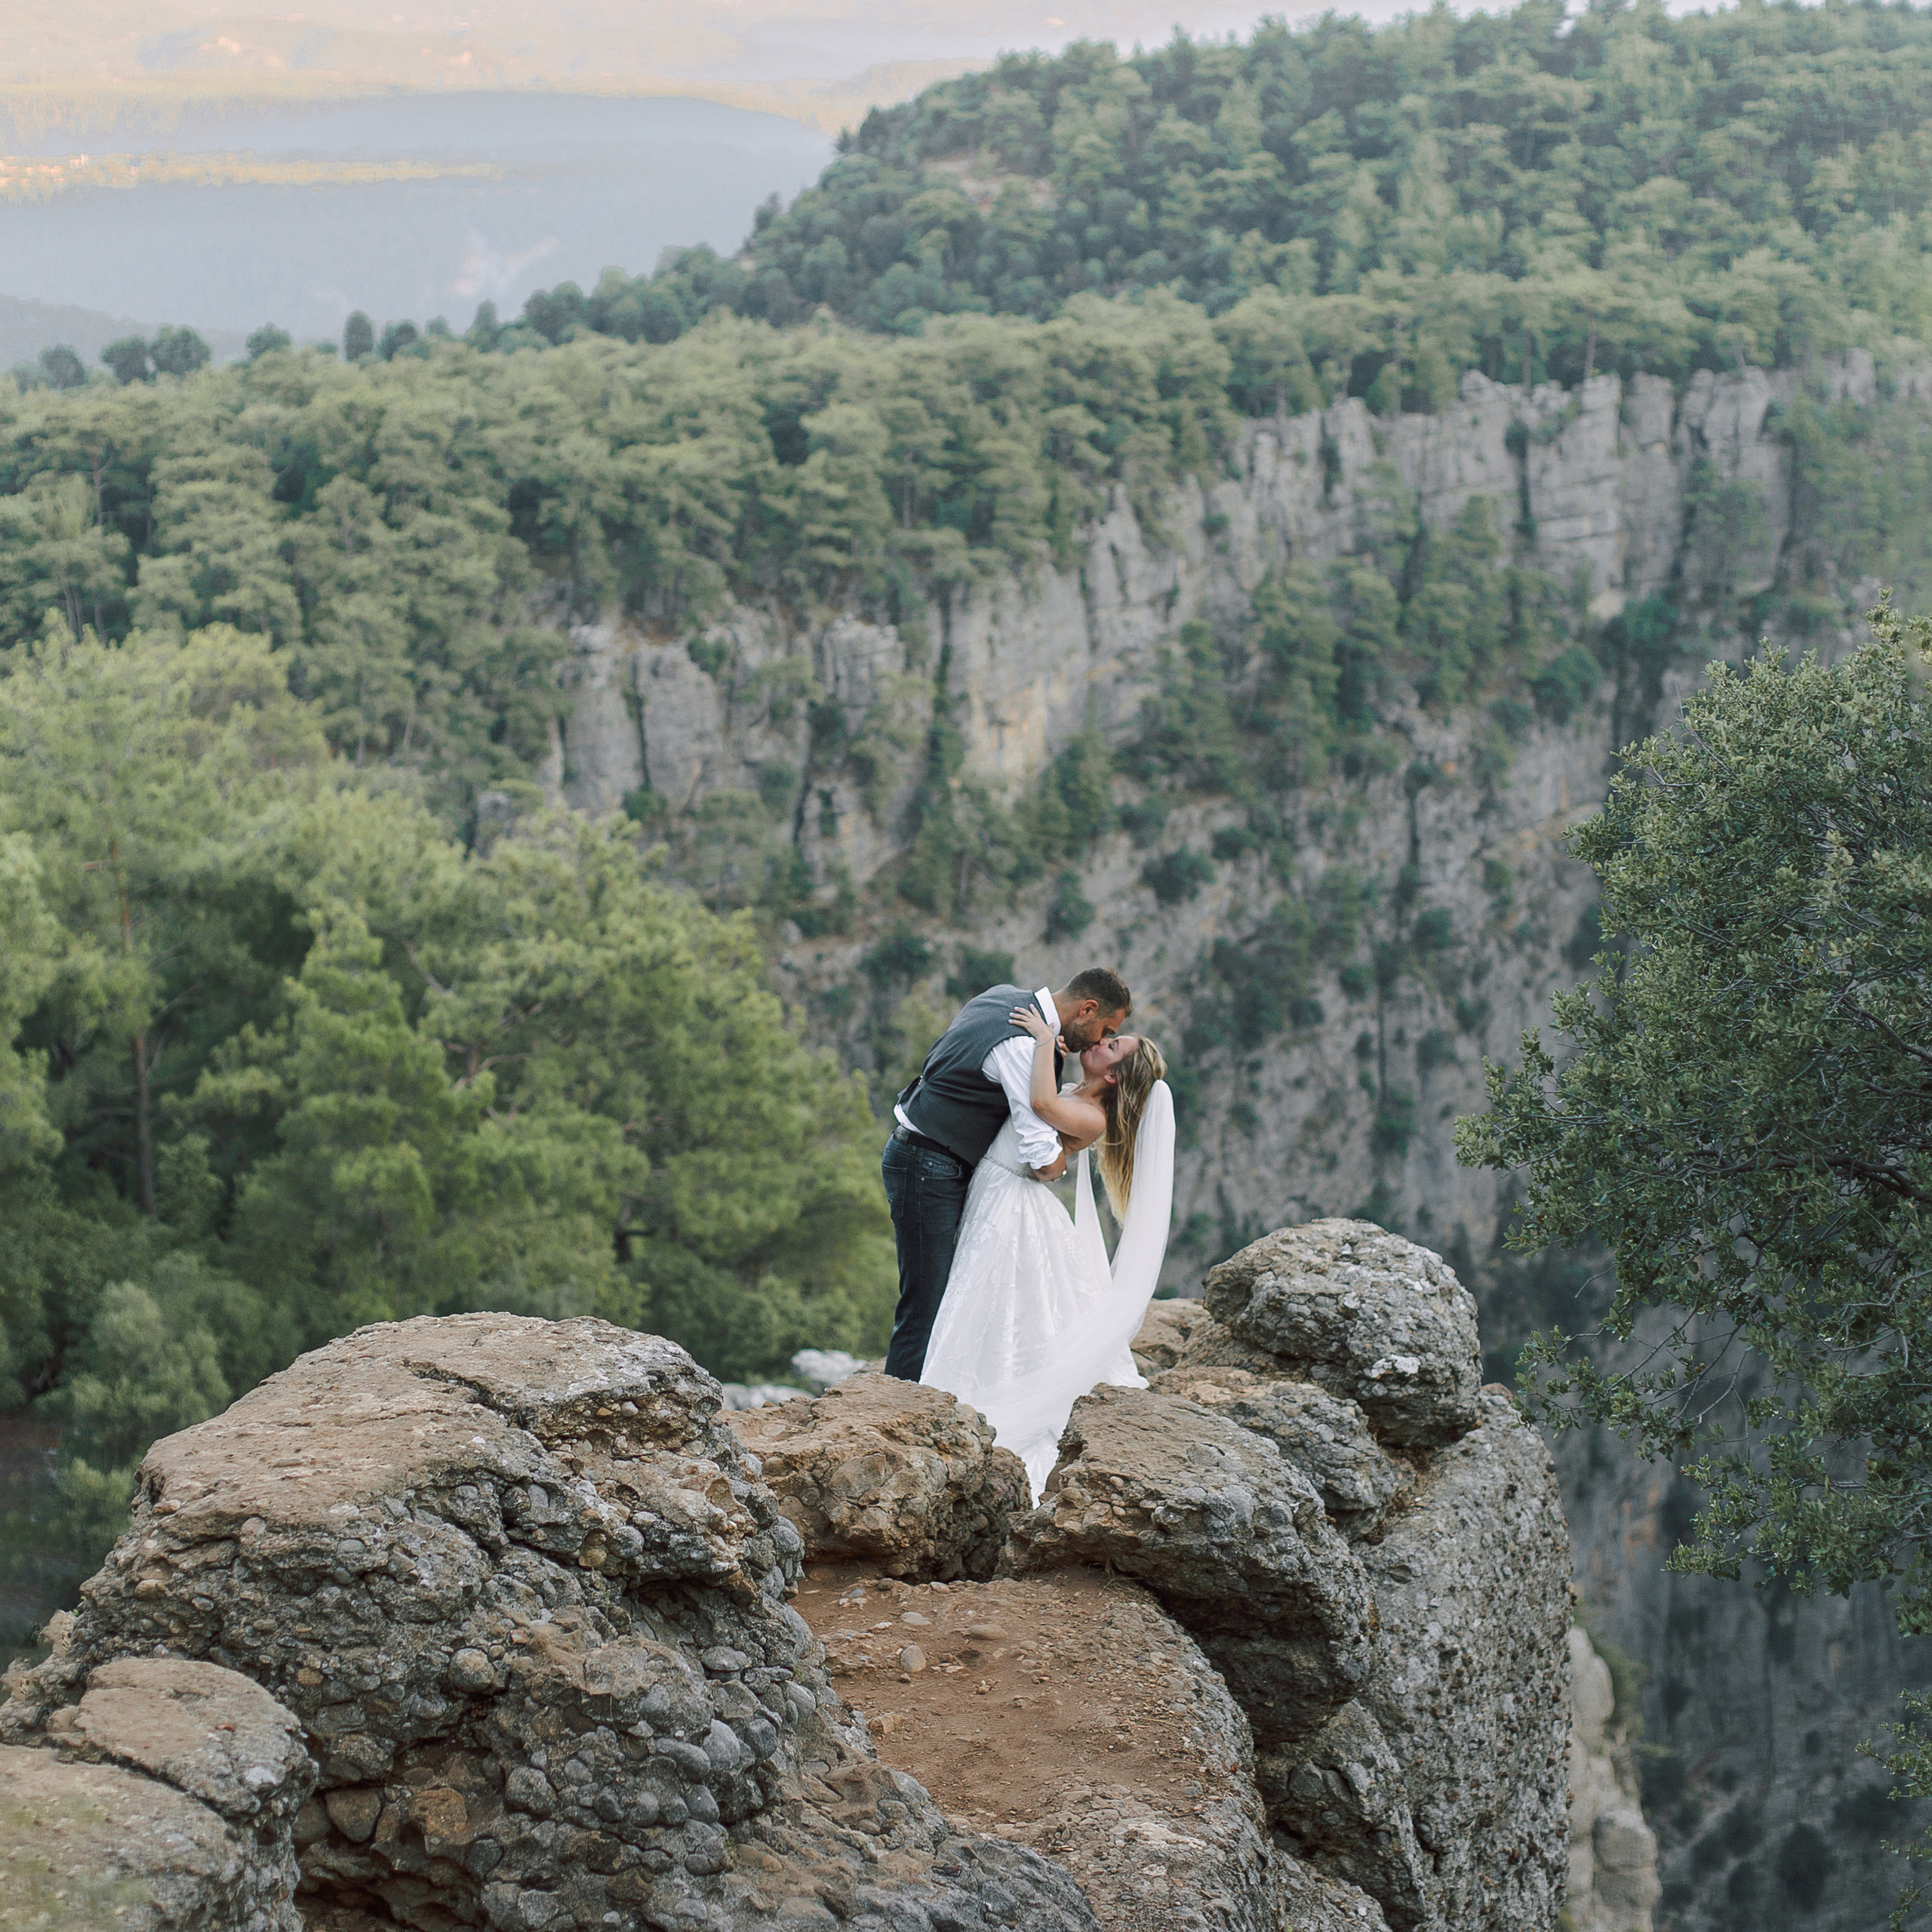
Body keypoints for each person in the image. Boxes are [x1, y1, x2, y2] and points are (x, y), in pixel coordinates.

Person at [919, 1002, 1174, 1498]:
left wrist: (1040, 1041)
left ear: (1117, 1076)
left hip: (1012, 1201)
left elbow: (1039, 1106)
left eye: (1112, 1046)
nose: (1100, 1043)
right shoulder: (1081, 1093)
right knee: (1007, 1304)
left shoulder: (1093, 1116)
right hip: (1000, 1187)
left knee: (988, 1296)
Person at [880, 968, 1131, 1380]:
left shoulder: (1001, 996)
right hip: (930, 1165)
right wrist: (1059, 1163)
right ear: (1086, 1009)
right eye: (1106, 1028)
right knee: (928, 1299)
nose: (1102, 1040)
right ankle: (899, 1403)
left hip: (932, 1155)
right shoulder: (1022, 1045)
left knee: (948, 1292)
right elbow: (1038, 1150)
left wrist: (1051, 1053)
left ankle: (919, 1393)